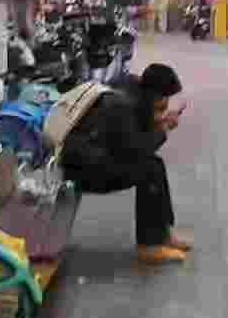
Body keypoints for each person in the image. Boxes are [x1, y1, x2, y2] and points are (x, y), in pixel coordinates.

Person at [60, 61, 192, 265]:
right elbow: (136, 151)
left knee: (155, 164)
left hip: (97, 159)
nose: (165, 104)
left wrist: (158, 122)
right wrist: (163, 129)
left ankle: (162, 234)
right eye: (164, 98)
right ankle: (149, 246)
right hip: (84, 171)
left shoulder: (134, 95)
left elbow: (131, 140)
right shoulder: (123, 106)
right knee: (149, 170)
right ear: (155, 95)